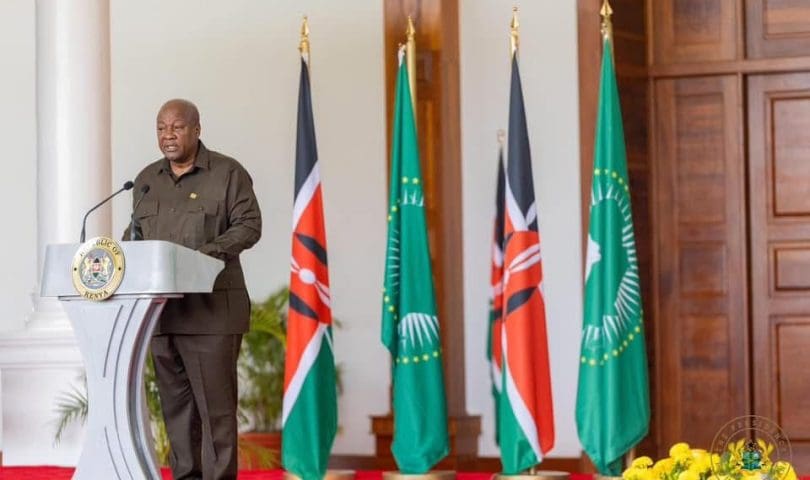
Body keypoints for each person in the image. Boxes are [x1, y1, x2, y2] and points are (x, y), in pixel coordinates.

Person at [127, 98, 262, 480]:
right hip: (162, 316)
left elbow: (249, 225)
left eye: (177, 127)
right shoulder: (146, 180)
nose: (168, 135)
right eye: (161, 128)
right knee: (177, 413)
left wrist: (202, 257)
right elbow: (135, 236)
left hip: (212, 316)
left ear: (197, 129)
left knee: (215, 413)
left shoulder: (227, 173)